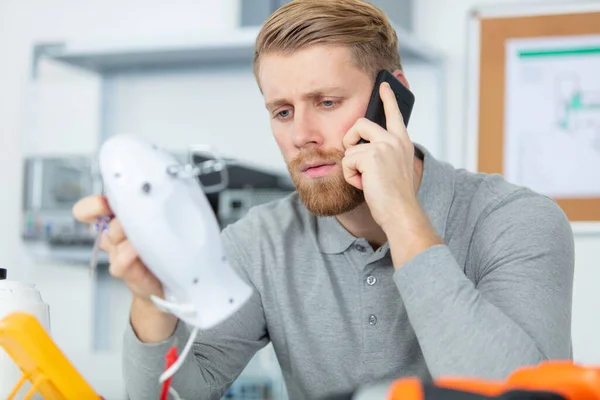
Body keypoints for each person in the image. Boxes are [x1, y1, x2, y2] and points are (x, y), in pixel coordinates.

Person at [72, 0, 575, 399]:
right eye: (283, 112)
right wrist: (152, 297)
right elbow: (175, 396)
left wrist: (400, 214)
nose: (302, 136)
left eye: (327, 103)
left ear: (392, 97)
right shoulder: (260, 242)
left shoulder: (516, 220)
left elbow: (520, 394)